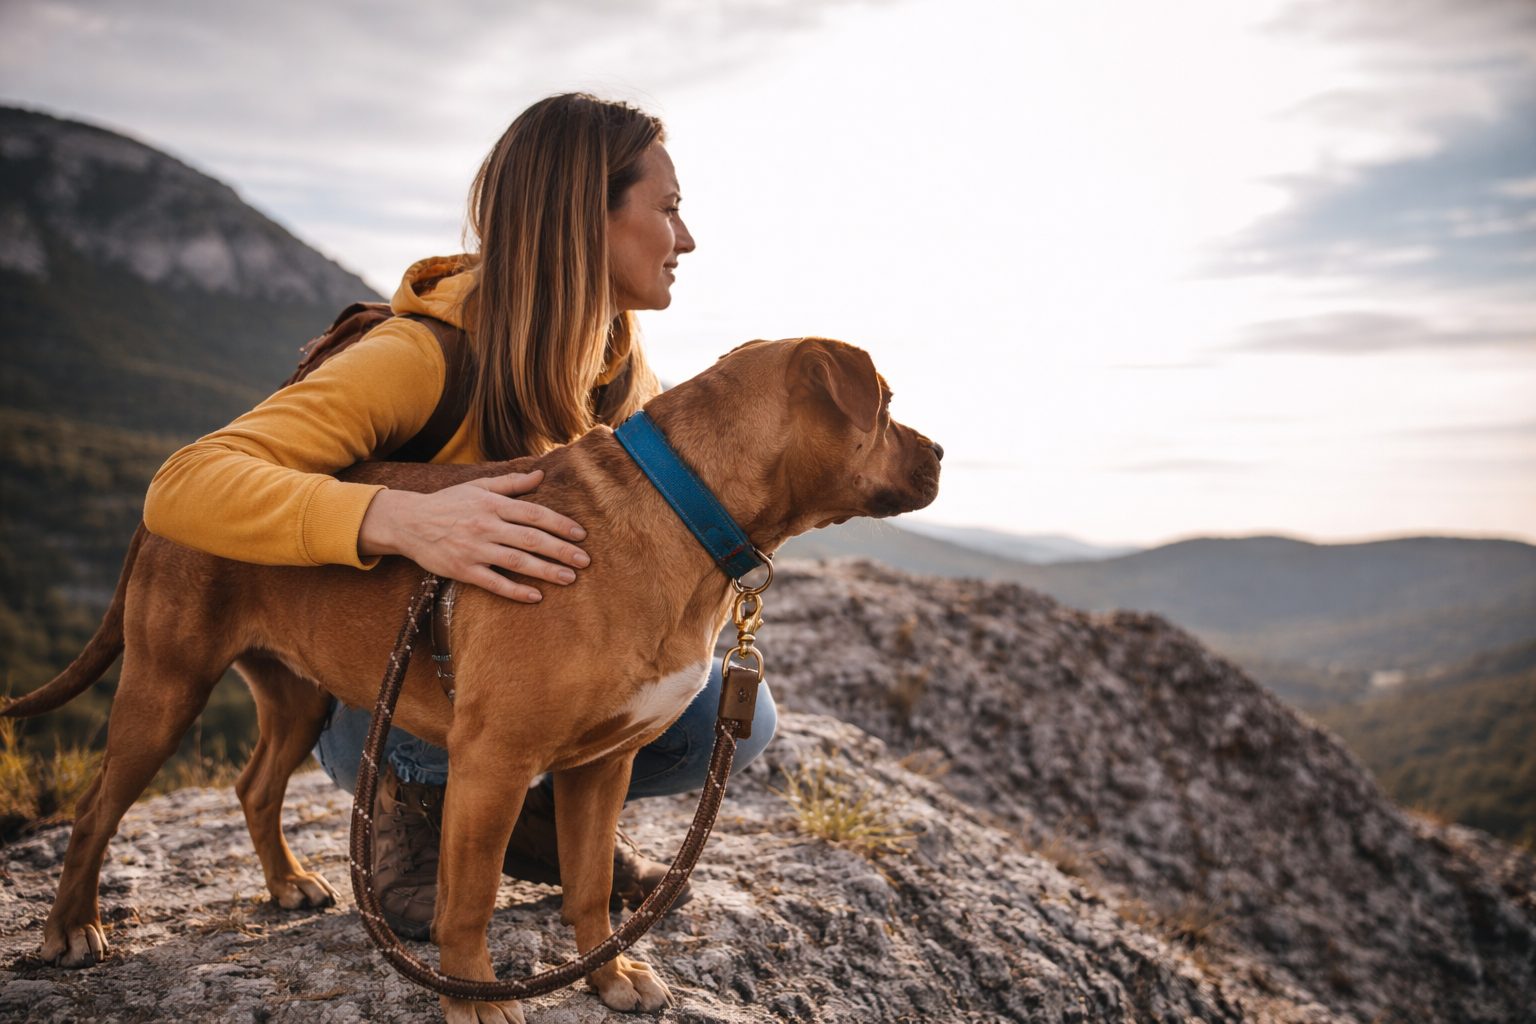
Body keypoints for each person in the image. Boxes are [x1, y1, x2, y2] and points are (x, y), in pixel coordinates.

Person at [143, 93, 778, 939]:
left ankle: (524, 818)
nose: (685, 239)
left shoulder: (625, 381)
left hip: (520, 688)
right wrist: (397, 519)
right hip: (381, 696)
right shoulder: (419, 356)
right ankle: (414, 805)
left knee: (719, 720)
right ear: (583, 218)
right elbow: (184, 483)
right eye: (667, 209)